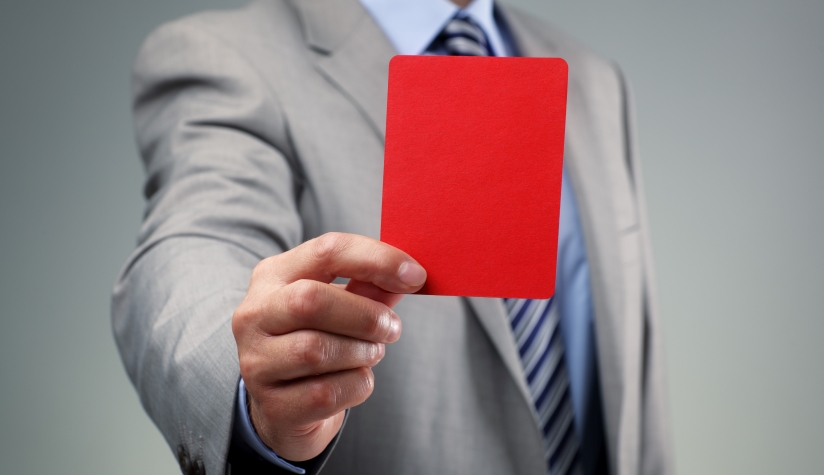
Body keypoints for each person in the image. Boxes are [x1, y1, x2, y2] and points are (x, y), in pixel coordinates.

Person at [112, 0, 673, 473]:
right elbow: (189, 252)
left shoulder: (596, 82)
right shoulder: (229, 57)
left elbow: (633, 383)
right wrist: (254, 379)